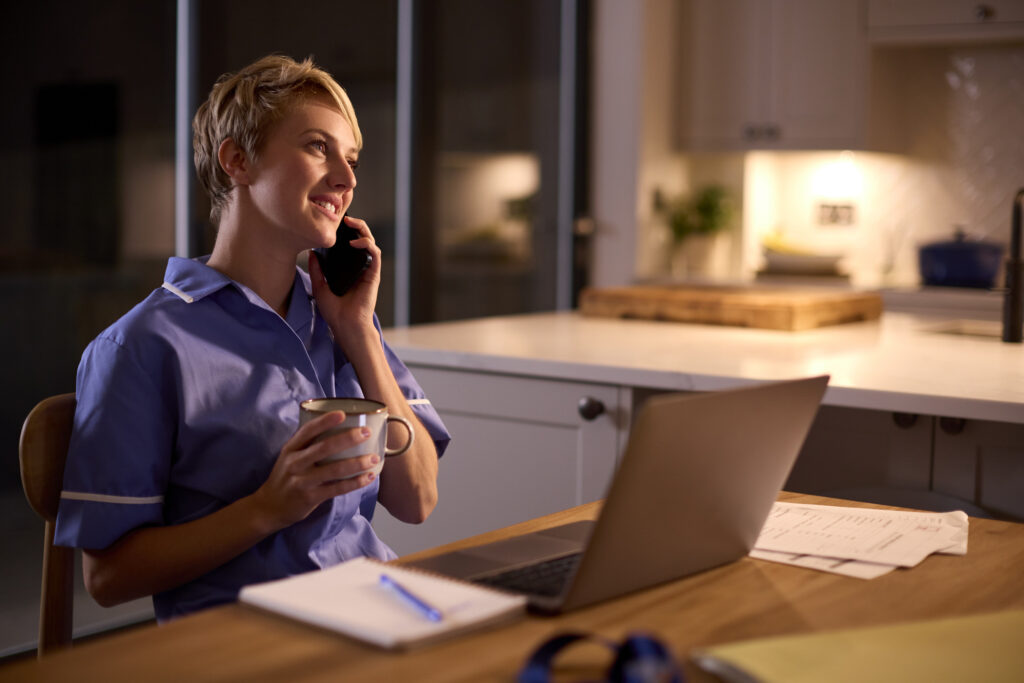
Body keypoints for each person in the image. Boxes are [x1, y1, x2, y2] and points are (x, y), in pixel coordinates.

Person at [54, 55, 450, 622]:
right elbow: (109, 577)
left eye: (351, 158)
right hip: (242, 641)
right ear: (237, 161)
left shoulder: (340, 319)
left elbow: (417, 501)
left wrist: (358, 330)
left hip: (375, 613)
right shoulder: (141, 348)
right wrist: (269, 507)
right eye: (318, 147)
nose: (347, 178)